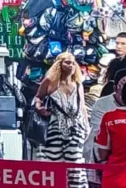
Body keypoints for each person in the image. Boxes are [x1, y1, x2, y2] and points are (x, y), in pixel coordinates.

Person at [34, 52, 89, 188]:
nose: (71, 66)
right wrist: (39, 107)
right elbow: (38, 97)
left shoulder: (77, 84)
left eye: (72, 62)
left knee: (75, 162)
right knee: (54, 162)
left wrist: (86, 126)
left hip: (76, 126)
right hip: (54, 127)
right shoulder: (49, 81)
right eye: (67, 62)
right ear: (59, 64)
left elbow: (82, 106)